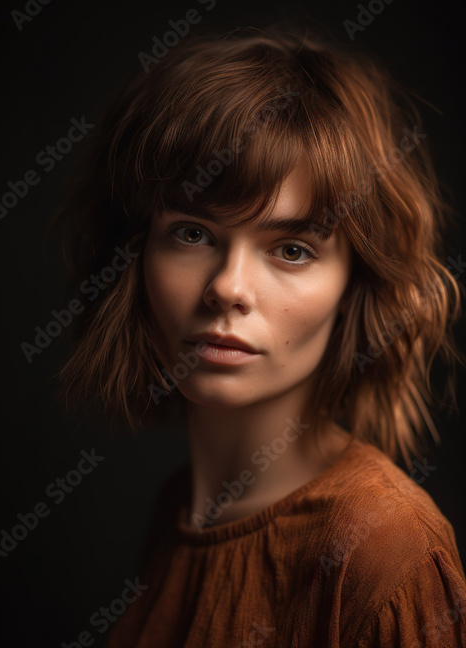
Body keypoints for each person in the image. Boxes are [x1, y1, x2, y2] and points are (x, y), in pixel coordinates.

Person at [49, 25, 466, 647]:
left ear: (356, 284)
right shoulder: (179, 510)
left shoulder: (384, 547)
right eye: (193, 234)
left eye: (292, 249)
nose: (229, 287)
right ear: (132, 258)